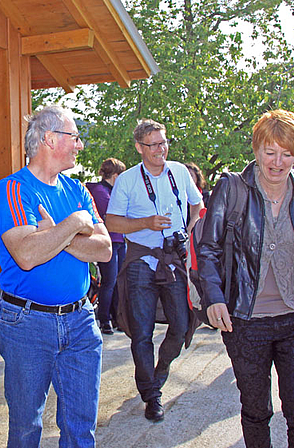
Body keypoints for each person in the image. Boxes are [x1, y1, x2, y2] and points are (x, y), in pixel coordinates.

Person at [198, 109, 294, 448]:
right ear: (256, 149)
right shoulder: (231, 188)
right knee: (256, 411)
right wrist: (214, 296)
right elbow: (209, 248)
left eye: (287, 153)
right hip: (246, 322)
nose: (277, 161)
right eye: (270, 151)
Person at [0, 105, 112, 447]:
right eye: (74, 137)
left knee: (81, 425)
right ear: (49, 139)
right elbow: (27, 255)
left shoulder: (77, 190)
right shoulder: (13, 189)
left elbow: (103, 250)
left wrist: (56, 234)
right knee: (27, 426)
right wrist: (73, 225)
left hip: (81, 321)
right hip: (27, 324)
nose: (79, 145)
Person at [105, 119, 203, 422]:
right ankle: (152, 395)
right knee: (141, 334)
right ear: (139, 148)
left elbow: (198, 207)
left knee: (182, 324)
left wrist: (189, 235)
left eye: (163, 143)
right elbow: (112, 223)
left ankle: (159, 371)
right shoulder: (128, 180)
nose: (161, 149)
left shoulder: (180, 172)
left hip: (173, 260)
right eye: (153, 145)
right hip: (140, 262)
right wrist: (145, 223)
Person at [86, 158, 126, 335]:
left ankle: (118, 317)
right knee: (109, 281)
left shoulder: (113, 191)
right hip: (109, 242)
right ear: (115, 176)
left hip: (120, 240)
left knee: (118, 281)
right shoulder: (101, 192)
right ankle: (104, 318)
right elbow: (112, 216)